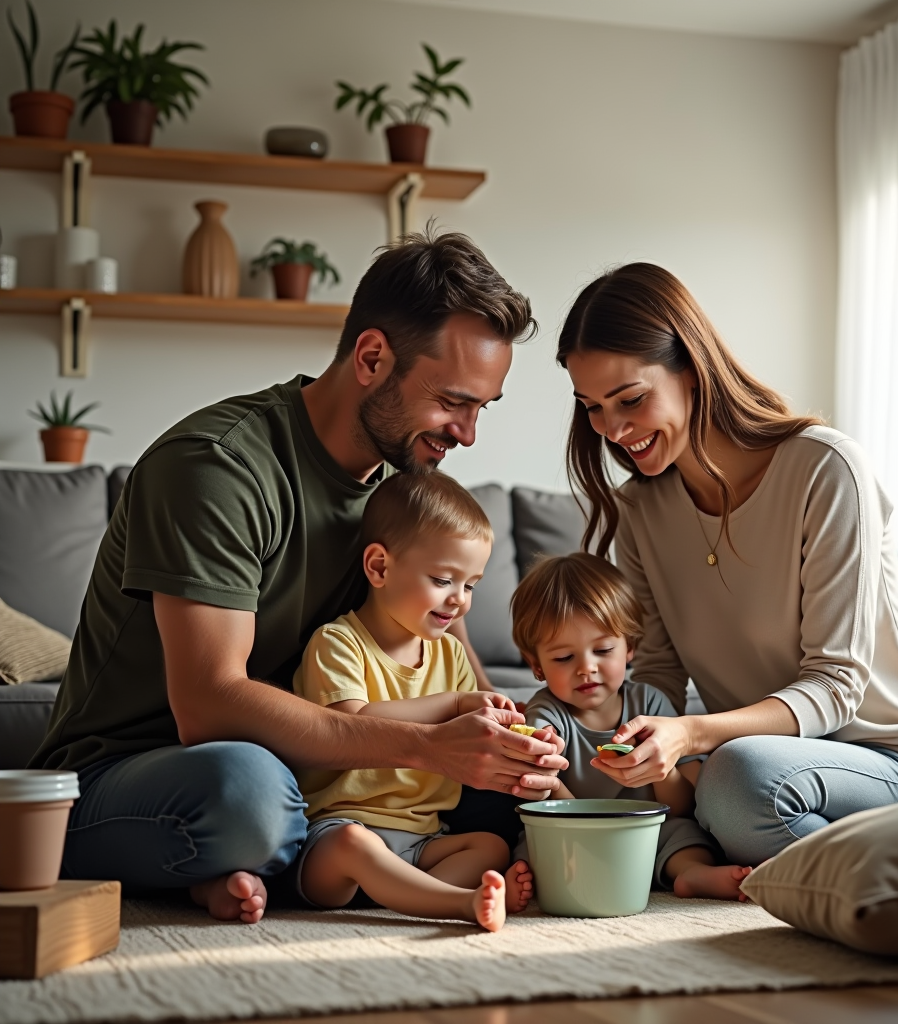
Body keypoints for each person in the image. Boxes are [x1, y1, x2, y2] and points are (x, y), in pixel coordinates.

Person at [31, 230, 566, 924]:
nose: (467, 434)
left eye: (480, 409)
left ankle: (238, 870)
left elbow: (457, 668)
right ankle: (239, 854)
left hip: (317, 775)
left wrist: (513, 741)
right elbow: (210, 707)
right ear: (372, 357)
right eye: (453, 401)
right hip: (140, 769)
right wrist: (429, 743)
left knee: (515, 793)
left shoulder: (406, 491)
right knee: (249, 795)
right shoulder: (217, 467)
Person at [556, 262, 898, 866]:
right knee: (701, 795)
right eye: (591, 407)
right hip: (759, 767)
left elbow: (836, 688)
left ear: (691, 371)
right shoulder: (639, 508)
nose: (612, 429)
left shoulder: (826, 469)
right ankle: (845, 868)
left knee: (735, 780)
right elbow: (659, 676)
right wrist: (596, 739)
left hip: (890, 763)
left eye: (631, 399)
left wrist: (693, 735)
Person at [292, 473, 535, 930]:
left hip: (423, 840)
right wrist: (455, 704)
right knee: (351, 845)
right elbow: (350, 723)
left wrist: (522, 737)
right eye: (444, 579)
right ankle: (456, 904)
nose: (460, 600)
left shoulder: (451, 654)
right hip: (340, 837)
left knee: (490, 846)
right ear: (380, 568)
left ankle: (414, 893)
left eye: (471, 585)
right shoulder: (338, 643)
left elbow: (477, 735)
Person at [509, 552, 752, 900]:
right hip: (571, 831)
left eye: (603, 650)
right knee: (532, 845)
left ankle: (690, 875)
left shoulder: (650, 706)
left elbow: (683, 804)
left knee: (684, 834)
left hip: (644, 830)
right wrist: (549, 781)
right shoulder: (546, 713)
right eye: (564, 658)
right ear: (536, 665)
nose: (586, 668)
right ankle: (537, 882)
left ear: (630, 647)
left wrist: (660, 770)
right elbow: (545, 795)